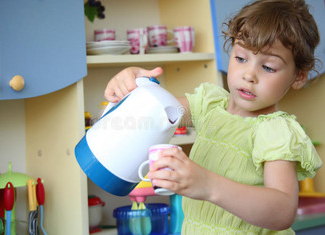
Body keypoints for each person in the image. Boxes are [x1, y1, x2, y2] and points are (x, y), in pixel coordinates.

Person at [104, 0, 323, 234]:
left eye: (268, 67)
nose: (249, 75)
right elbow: (156, 109)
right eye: (241, 58)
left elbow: (282, 212)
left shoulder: (277, 131)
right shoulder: (210, 105)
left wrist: (208, 185)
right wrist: (134, 82)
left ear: (299, 76)